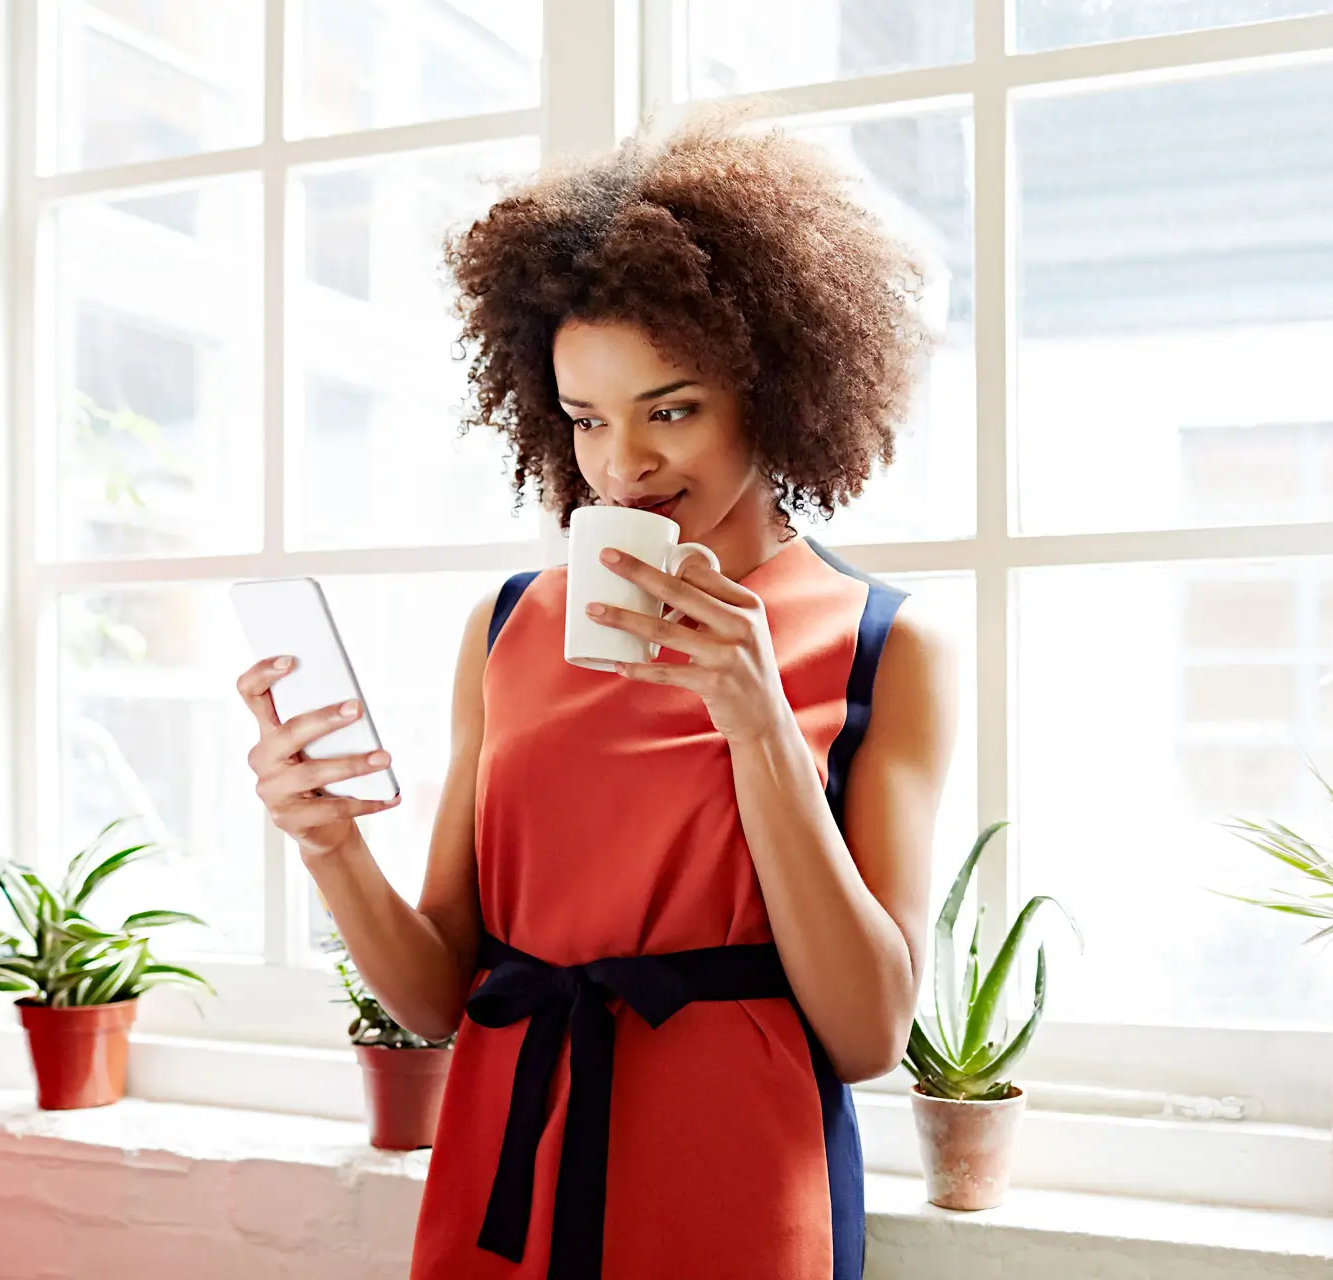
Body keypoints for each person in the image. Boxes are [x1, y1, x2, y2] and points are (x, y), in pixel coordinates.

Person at [235, 111, 958, 1279]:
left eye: (671, 409)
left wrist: (758, 719)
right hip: (505, 1164)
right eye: (585, 419)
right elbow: (435, 998)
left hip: (736, 1179)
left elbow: (870, 1032)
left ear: (775, 390)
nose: (622, 466)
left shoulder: (887, 643)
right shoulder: (509, 624)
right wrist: (325, 841)